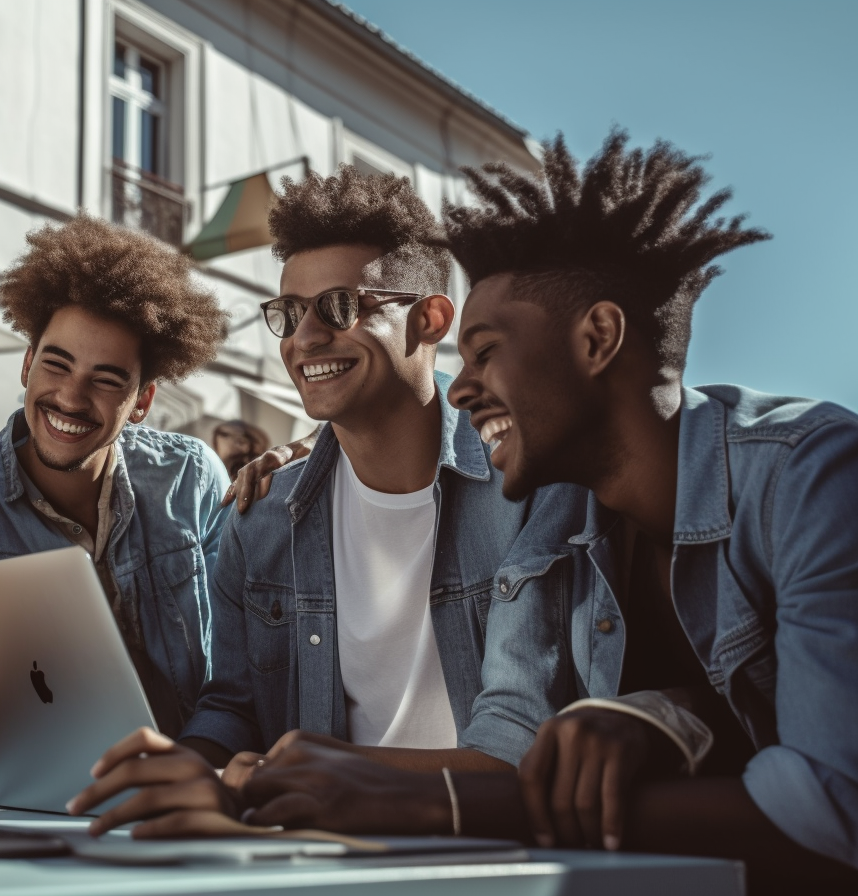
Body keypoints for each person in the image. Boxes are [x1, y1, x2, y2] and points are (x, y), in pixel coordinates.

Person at [235, 131, 858, 890]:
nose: (460, 389)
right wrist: (671, 714)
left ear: (598, 337)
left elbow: (834, 810)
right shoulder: (570, 509)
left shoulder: (813, 475)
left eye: (486, 351)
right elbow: (562, 727)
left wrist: (442, 804)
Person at [69, 165, 599, 834]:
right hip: (315, 854)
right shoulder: (257, 519)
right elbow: (233, 706)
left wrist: (329, 771)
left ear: (430, 319)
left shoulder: (529, 490)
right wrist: (187, 768)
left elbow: (521, 741)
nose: (306, 338)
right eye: (289, 314)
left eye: (342, 307)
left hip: (492, 854)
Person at [0, 214, 231, 739]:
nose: (71, 398)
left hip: (194, 781)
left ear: (142, 401)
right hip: (49, 799)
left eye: (107, 379)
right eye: (56, 364)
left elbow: (237, 663)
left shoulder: (192, 479)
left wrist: (202, 759)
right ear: (26, 365)